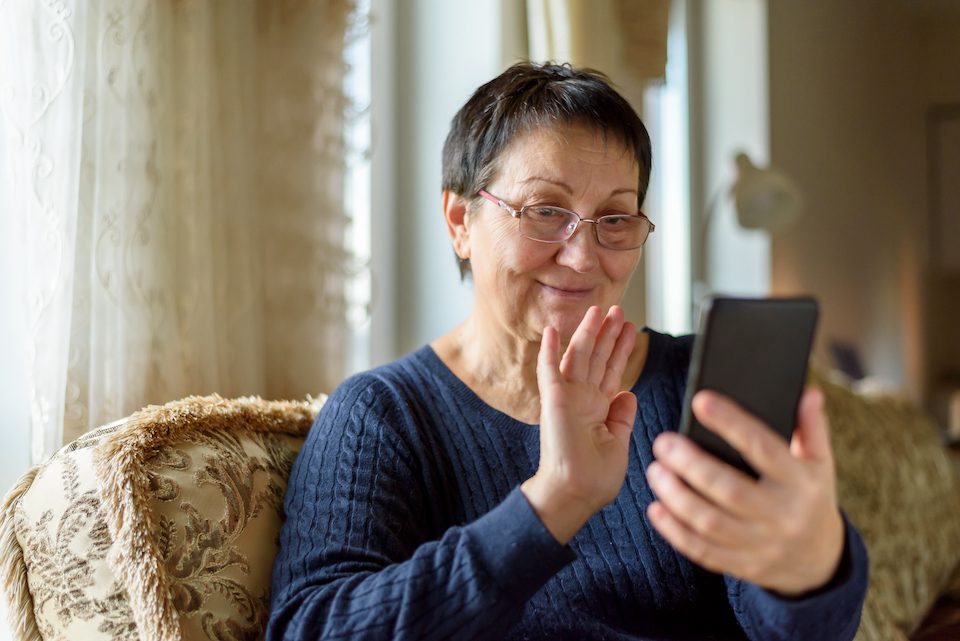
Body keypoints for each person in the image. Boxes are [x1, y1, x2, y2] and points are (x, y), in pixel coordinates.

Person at [266, 62, 868, 640]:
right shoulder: (382, 415)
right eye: (546, 211)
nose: (582, 258)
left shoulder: (698, 385)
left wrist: (812, 569)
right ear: (459, 220)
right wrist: (554, 501)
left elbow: (790, 627)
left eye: (614, 218)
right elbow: (312, 627)